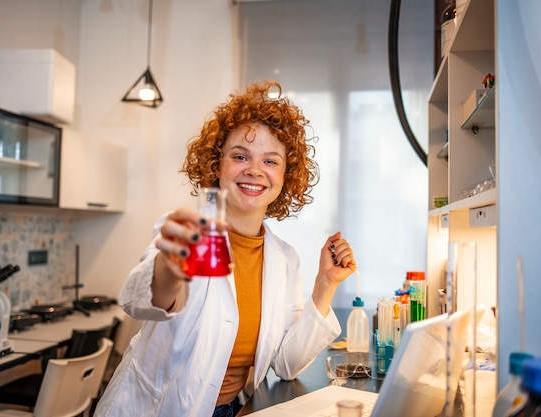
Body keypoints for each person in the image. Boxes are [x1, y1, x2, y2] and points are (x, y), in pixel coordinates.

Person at [93, 81, 357, 417]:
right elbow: (140, 302)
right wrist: (168, 271)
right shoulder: (186, 231)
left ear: (286, 176)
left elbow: (287, 364)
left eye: (271, 161)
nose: (254, 170)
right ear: (217, 165)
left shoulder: (284, 258)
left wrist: (326, 284)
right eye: (240, 156)